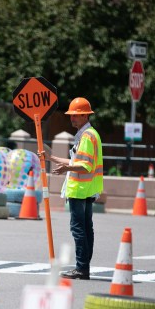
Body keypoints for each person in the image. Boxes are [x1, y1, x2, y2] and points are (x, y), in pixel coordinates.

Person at [46, 97, 103, 280]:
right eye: (72, 115)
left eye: (77, 115)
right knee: (86, 228)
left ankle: (81, 268)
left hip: (80, 189)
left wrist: (66, 168)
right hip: (87, 189)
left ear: (86, 115)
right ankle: (84, 266)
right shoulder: (91, 134)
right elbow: (77, 161)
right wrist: (52, 158)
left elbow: (84, 165)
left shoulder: (87, 136)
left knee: (79, 229)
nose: (73, 118)